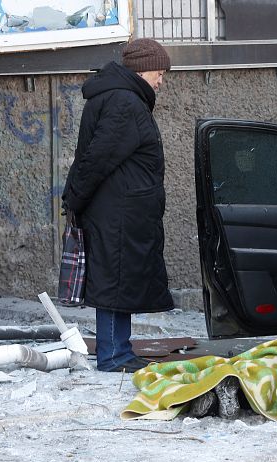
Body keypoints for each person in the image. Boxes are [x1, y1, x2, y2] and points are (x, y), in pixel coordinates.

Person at [62, 38, 174, 372]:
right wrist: (75, 200)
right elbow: (97, 159)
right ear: (141, 70)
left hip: (120, 210)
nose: (161, 80)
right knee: (114, 282)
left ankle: (119, 350)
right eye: (158, 72)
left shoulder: (121, 97)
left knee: (119, 280)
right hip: (117, 213)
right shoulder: (125, 102)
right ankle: (114, 355)